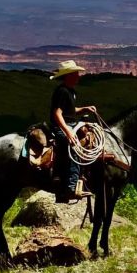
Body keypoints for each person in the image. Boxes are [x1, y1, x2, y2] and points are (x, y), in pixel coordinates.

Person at [49, 60, 97, 203]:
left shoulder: (71, 91)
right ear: (68, 76)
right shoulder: (62, 91)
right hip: (61, 126)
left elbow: (70, 110)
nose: (78, 76)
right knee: (75, 147)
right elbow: (57, 114)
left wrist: (84, 108)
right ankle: (71, 187)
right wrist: (68, 132)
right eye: (75, 74)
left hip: (71, 124)